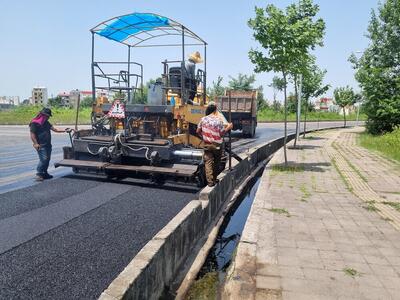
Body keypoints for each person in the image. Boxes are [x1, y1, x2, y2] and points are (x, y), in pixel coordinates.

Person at [196, 102, 233, 187]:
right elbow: (221, 133)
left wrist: (204, 136)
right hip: (217, 145)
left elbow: (197, 131)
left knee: (208, 163)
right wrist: (228, 127)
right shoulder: (218, 120)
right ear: (215, 110)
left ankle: (210, 182)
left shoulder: (203, 119)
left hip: (207, 144)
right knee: (216, 162)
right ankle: (215, 178)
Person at [29, 108, 67, 181]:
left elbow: (55, 129)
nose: (48, 117)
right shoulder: (34, 123)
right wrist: (36, 143)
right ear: (42, 115)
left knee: (47, 159)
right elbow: (32, 134)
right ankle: (39, 173)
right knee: (44, 159)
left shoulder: (46, 123)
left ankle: (45, 173)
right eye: (47, 116)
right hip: (40, 145)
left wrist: (65, 130)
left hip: (48, 144)